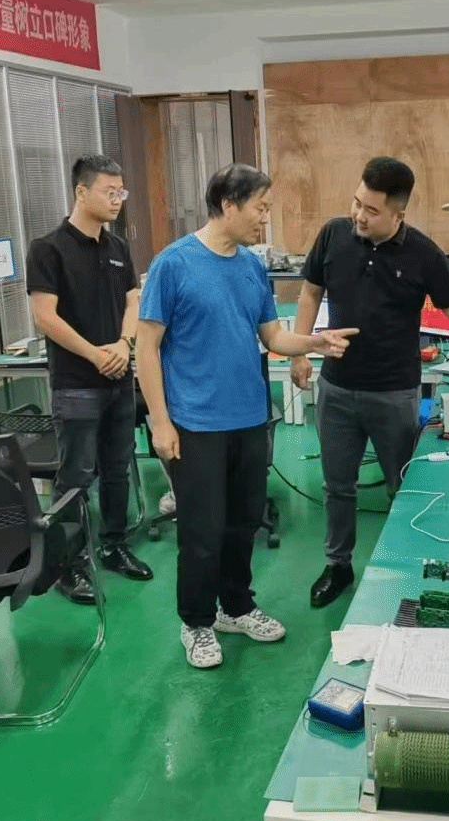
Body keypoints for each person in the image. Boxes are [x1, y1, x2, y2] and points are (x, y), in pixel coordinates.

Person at [135, 164, 357, 669]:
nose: (264, 218)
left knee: (242, 524)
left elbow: (272, 336)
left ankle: (235, 607)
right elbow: (147, 348)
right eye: (260, 207)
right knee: (201, 532)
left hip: (249, 418)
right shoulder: (173, 264)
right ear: (228, 205)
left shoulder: (252, 268)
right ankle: (196, 621)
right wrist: (160, 422)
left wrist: (316, 342)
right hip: (195, 423)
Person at [291, 157, 449, 608]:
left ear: (399, 214)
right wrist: (300, 349)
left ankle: (405, 561)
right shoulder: (334, 234)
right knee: (338, 487)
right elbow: (310, 292)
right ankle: (338, 565)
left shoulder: (423, 254)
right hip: (336, 389)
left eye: (371, 210)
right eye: (356, 203)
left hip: (393, 393)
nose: (358, 215)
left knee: (402, 486)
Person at [25, 154, 153, 605]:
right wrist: (95, 354)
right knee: (76, 476)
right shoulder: (48, 249)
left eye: (122, 192)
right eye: (109, 192)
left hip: (118, 380)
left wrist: (123, 344)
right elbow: (45, 317)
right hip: (76, 383)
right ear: (81, 192)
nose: (118, 200)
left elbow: (133, 300)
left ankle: (113, 545)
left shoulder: (117, 247)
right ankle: (69, 565)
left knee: (117, 468)